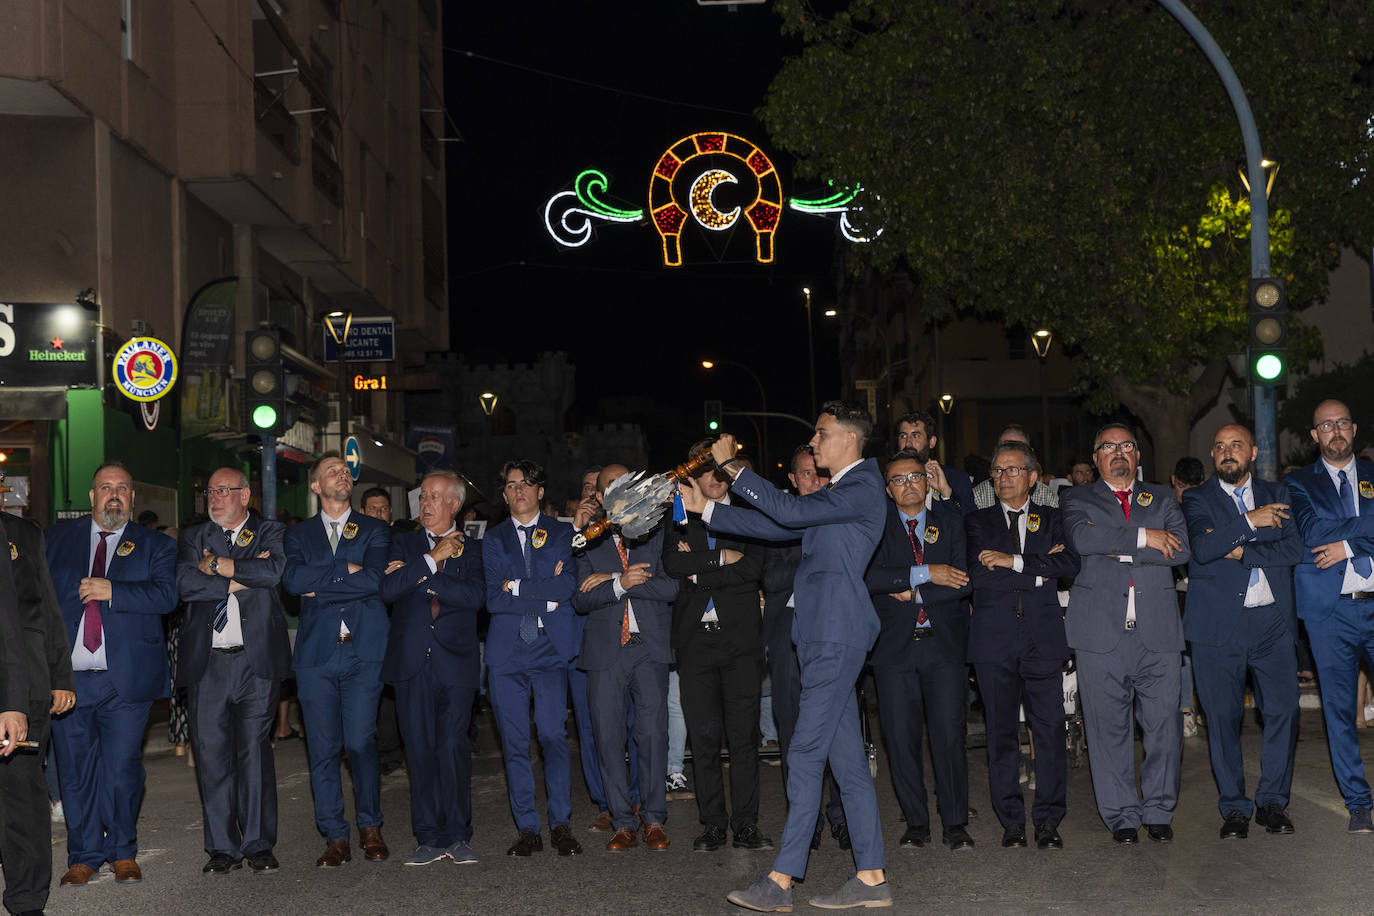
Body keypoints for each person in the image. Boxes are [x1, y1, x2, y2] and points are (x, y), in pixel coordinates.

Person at [681, 402, 891, 912]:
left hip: (836, 634)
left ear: (848, 438)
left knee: (802, 753)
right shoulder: (842, 493)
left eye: (820, 435)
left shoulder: (862, 486)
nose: (814, 443)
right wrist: (705, 509)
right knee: (847, 764)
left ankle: (780, 880)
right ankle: (871, 878)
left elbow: (792, 512)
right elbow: (782, 527)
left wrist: (734, 468)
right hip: (825, 634)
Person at [45, 461, 178, 886]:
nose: (114, 495)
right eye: (105, 487)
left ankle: (123, 851)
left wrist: (113, 590)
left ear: (133, 497)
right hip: (71, 680)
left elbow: (167, 596)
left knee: (121, 769)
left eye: (122, 488)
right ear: (92, 496)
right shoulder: (57, 540)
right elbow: (41, 607)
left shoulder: (155, 545)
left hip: (125, 679)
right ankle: (83, 855)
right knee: (75, 770)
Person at [1062, 423, 1189, 844]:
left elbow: (1182, 550)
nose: (1119, 453)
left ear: (1138, 455)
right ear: (1096, 457)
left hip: (1158, 634)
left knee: (1163, 729)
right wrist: (1145, 537)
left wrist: (1115, 547)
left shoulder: (1164, 497)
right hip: (1100, 635)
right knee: (1106, 730)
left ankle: (1158, 809)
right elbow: (1082, 539)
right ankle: (1121, 815)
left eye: (1127, 446)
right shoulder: (1076, 497)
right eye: (1109, 447)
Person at [1183, 424, 1302, 839]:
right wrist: (1250, 520)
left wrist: (1239, 548)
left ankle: (1272, 803)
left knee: (1283, 712)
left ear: (1252, 452)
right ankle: (1234, 808)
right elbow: (1201, 548)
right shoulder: (1197, 498)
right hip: (1217, 627)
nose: (1227, 452)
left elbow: (1293, 550)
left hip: (1272, 621)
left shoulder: (1279, 493)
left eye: (1236, 445)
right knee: (1222, 718)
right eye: (1219, 447)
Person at [175, 468, 292, 875]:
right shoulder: (193, 537)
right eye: (211, 491)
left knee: (253, 753)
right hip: (208, 663)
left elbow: (273, 573)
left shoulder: (270, 532)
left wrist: (218, 566)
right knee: (210, 755)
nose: (216, 497)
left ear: (245, 495)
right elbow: (185, 586)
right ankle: (222, 848)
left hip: (254, 661)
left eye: (225, 491)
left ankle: (258, 844)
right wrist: (240, 576)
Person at [966, 441, 1078, 850]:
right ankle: (1011, 820)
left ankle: (1049, 819)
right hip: (993, 641)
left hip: (1043, 639)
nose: (1002, 477)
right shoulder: (977, 521)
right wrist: (1037, 570)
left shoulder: (1053, 517)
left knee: (1048, 731)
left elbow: (1069, 564)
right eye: (996, 471)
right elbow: (980, 577)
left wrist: (1012, 562)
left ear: (1032, 477)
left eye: (1012, 470)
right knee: (1000, 734)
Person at [282, 453, 392, 867]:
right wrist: (347, 570)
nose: (342, 475)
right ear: (315, 487)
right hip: (315, 656)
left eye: (346, 471)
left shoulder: (375, 528)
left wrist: (321, 581)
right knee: (323, 750)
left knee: (361, 741)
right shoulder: (298, 535)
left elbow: (376, 579)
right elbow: (293, 581)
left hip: (364, 651)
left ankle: (370, 825)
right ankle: (335, 834)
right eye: (332, 471)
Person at [865, 448, 975, 850]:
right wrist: (929, 576)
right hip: (894, 651)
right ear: (888, 490)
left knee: (948, 738)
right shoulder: (875, 530)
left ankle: (955, 823)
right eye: (898, 480)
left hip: (943, 648)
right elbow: (870, 577)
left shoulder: (950, 524)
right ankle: (916, 823)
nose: (908, 485)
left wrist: (909, 593)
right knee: (900, 739)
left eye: (914, 477)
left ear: (928, 482)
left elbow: (963, 581)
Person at [662, 442, 769, 852]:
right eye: (705, 471)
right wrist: (723, 557)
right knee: (703, 739)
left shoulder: (748, 514)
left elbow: (754, 567)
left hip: (740, 640)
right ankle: (713, 825)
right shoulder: (680, 515)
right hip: (695, 643)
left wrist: (702, 570)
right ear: (693, 476)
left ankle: (745, 825)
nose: (715, 478)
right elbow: (673, 564)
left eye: (720, 470)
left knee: (743, 739)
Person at [572, 464, 679, 853]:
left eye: (626, 485)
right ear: (599, 496)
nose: (621, 492)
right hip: (605, 651)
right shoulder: (587, 538)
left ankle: (653, 819)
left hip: (648, 648)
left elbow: (673, 587)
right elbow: (581, 598)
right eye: (611, 488)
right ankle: (621, 821)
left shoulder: (657, 531)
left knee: (652, 735)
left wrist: (626, 580)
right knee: (608, 737)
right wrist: (619, 582)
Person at [380, 470, 485, 865]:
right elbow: (388, 590)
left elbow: (475, 596)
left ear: (454, 505)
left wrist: (421, 578)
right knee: (419, 750)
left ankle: (458, 835)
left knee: (453, 748)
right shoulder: (402, 542)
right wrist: (429, 560)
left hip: (455, 663)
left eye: (435, 497)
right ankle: (427, 837)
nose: (425, 504)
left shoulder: (474, 549)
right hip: (411, 662)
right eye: (423, 496)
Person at [483, 460, 583, 857]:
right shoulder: (493, 539)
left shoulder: (562, 531)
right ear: (504, 494)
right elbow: (493, 598)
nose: (518, 490)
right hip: (507, 653)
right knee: (514, 742)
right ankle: (527, 827)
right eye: (511, 485)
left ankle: (561, 823)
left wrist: (517, 585)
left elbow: (568, 585)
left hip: (550, 649)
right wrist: (545, 591)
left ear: (541, 491)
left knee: (553, 736)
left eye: (526, 484)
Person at [1284, 399, 1374, 832]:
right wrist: (1368, 529)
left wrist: (1349, 546)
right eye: (1325, 425)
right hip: (1329, 612)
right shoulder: (1299, 482)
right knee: (1339, 712)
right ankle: (1359, 803)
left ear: (1353, 429)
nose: (1335, 431)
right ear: (1314, 435)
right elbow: (1312, 532)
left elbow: (1330, 535)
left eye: (1341, 423)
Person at [762, 446, 849, 851]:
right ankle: (805, 820)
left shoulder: (841, 515)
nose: (815, 481)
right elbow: (772, 576)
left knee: (839, 729)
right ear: (793, 481)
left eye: (820, 474)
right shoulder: (778, 519)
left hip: (835, 634)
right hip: (786, 637)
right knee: (793, 729)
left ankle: (842, 815)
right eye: (806, 475)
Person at [0, 492, 76, 915]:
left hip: (25, 683)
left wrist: (60, 676)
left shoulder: (23, 534)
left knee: (22, 796)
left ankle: (26, 897)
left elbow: (47, 607)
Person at [1170, 456, 1206, 739]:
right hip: (1178, 592)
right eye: (1185, 487)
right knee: (1184, 654)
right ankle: (1186, 709)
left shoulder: (1203, 507)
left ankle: (1195, 708)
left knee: (1195, 653)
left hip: (1199, 590)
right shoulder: (1170, 509)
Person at [895, 410, 975, 513]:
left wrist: (947, 493)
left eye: (915, 436)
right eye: (903, 436)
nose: (908, 443)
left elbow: (971, 523)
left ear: (931, 442)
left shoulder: (957, 480)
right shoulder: (889, 482)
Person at [973, 425, 1060, 509]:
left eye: (1019, 448)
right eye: (1005, 447)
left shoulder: (1047, 497)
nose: (1011, 454)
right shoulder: (979, 496)